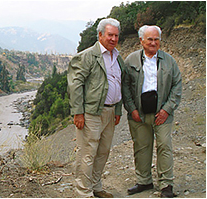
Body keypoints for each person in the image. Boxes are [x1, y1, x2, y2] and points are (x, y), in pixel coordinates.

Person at [122, 25, 182, 198]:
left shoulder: (169, 61)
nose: (153, 42)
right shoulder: (131, 60)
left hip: (162, 113)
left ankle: (166, 185)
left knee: (164, 146)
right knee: (141, 147)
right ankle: (144, 181)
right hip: (138, 114)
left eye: (156, 39)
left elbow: (177, 86)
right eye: (150, 39)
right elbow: (125, 86)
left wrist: (167, 109)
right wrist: (131, 108)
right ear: (141, 40)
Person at [67, 18, 125, 198]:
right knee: (87, 152)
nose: (113, 39)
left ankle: (96, 186)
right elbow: (75, 85)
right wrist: (78, 112)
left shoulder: (117, 57)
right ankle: (84, 192)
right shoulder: (87, 56)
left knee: (103, 151)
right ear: (100, 35)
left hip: (110, 111)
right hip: (91, 113)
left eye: (116, 35)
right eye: (110, 35)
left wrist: (117, 110)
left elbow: (119, 84)